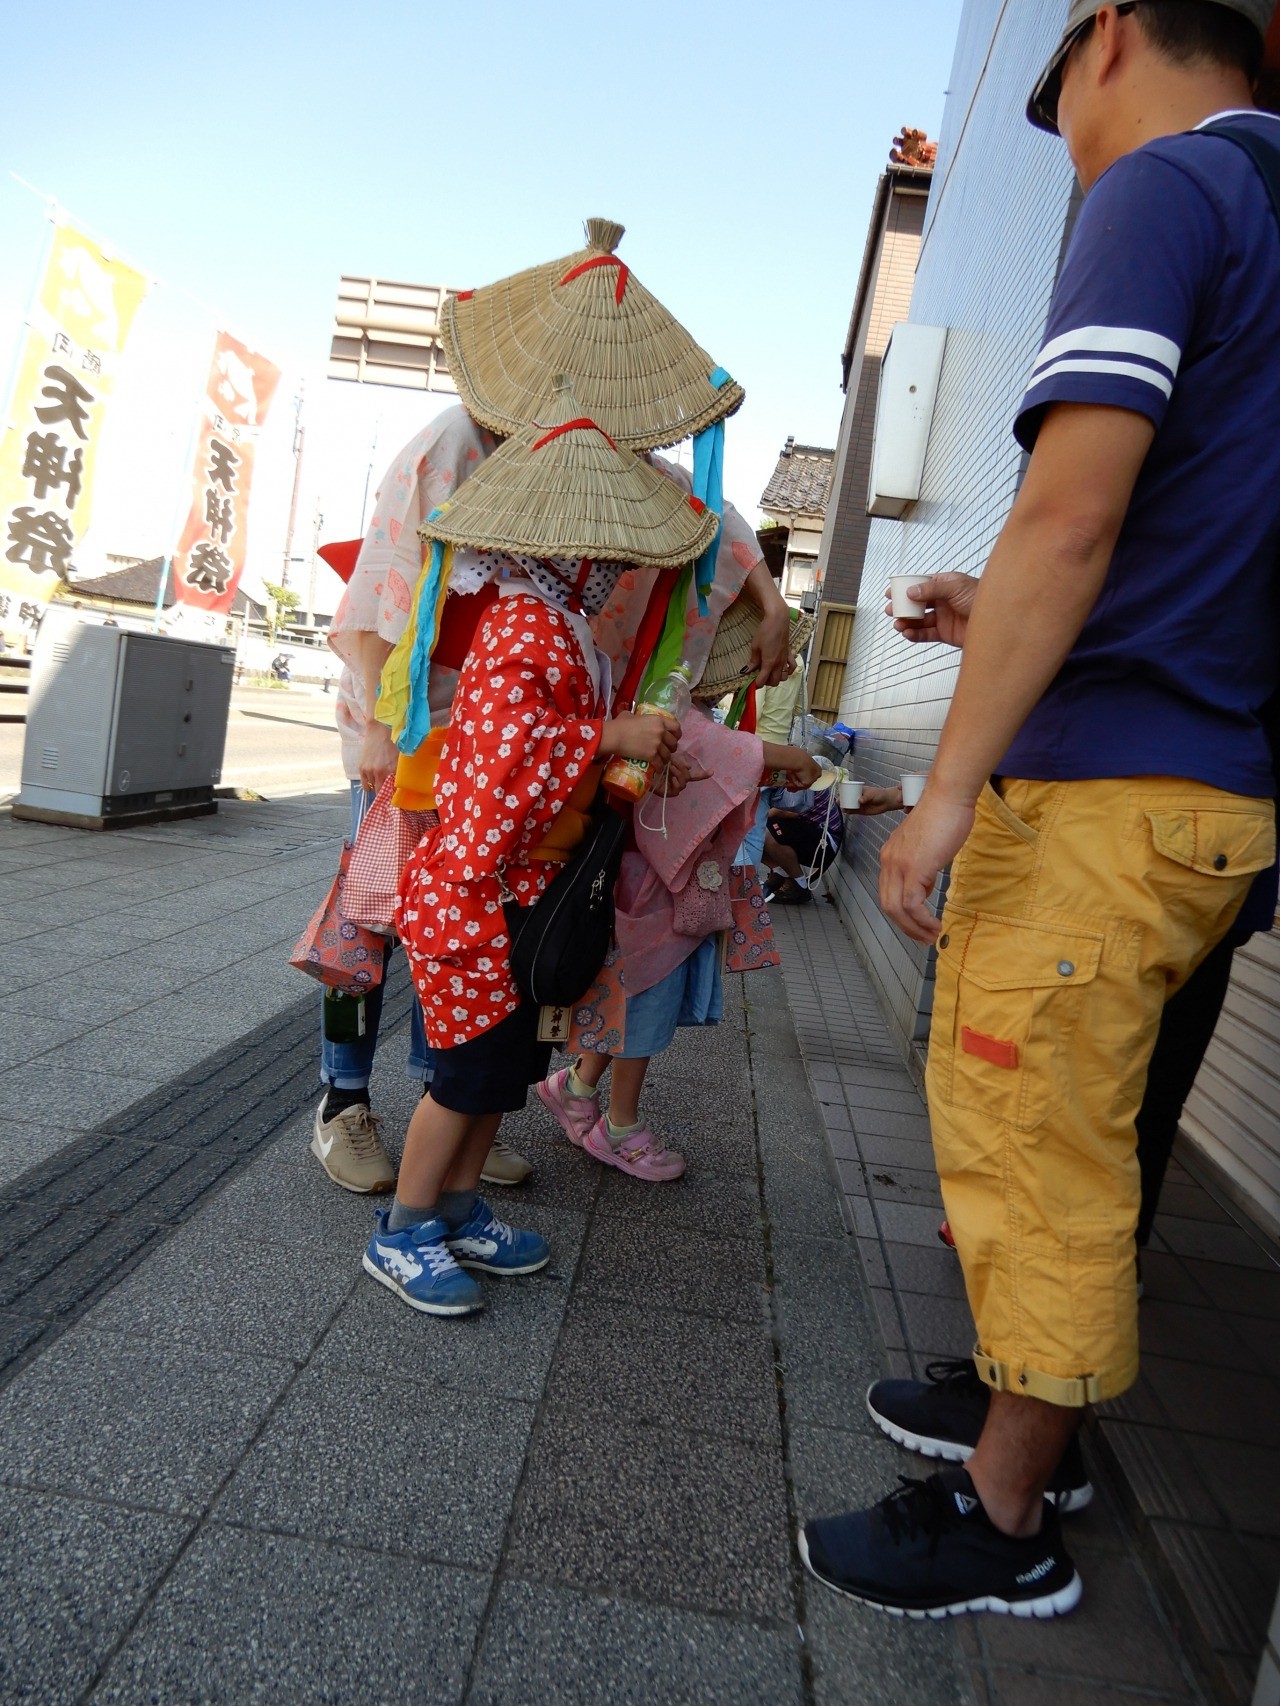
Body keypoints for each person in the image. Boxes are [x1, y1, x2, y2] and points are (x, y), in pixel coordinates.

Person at [802, 0, 1280, 1621]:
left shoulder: (1169, 188)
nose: (1064, 134)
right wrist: (986, 606)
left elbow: (1072, 517)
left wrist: (937, 798)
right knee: (1070, 1137)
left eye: (1061, 90)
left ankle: (1008, 1518)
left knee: (1045, 1151)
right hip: (1207, 779)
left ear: (1119, 32)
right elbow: (1162, 536)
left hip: (1111, 793)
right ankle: (1027, 1412)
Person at [324, 220, 792, 1194]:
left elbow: (701, 515)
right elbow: (384, 589)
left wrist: (768, 600)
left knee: (477, 956)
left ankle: (451, 1110)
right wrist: (377, 722)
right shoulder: (461, 440)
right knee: (378, 925)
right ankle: (349, 1098)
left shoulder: (599, 470)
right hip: (422, 727)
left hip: (519, 757)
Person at [365, 392, 714, 1316]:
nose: (605, 570)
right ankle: (403, 1228)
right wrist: (607, 737)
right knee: (464, 1074)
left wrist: (622, 749)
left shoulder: (555, 627)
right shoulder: (527, 622)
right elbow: (501, 760)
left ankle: (457, 1206)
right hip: (480, 893)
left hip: (509, 887)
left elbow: (532, 753)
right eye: (596, 554)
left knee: (501, 1070)